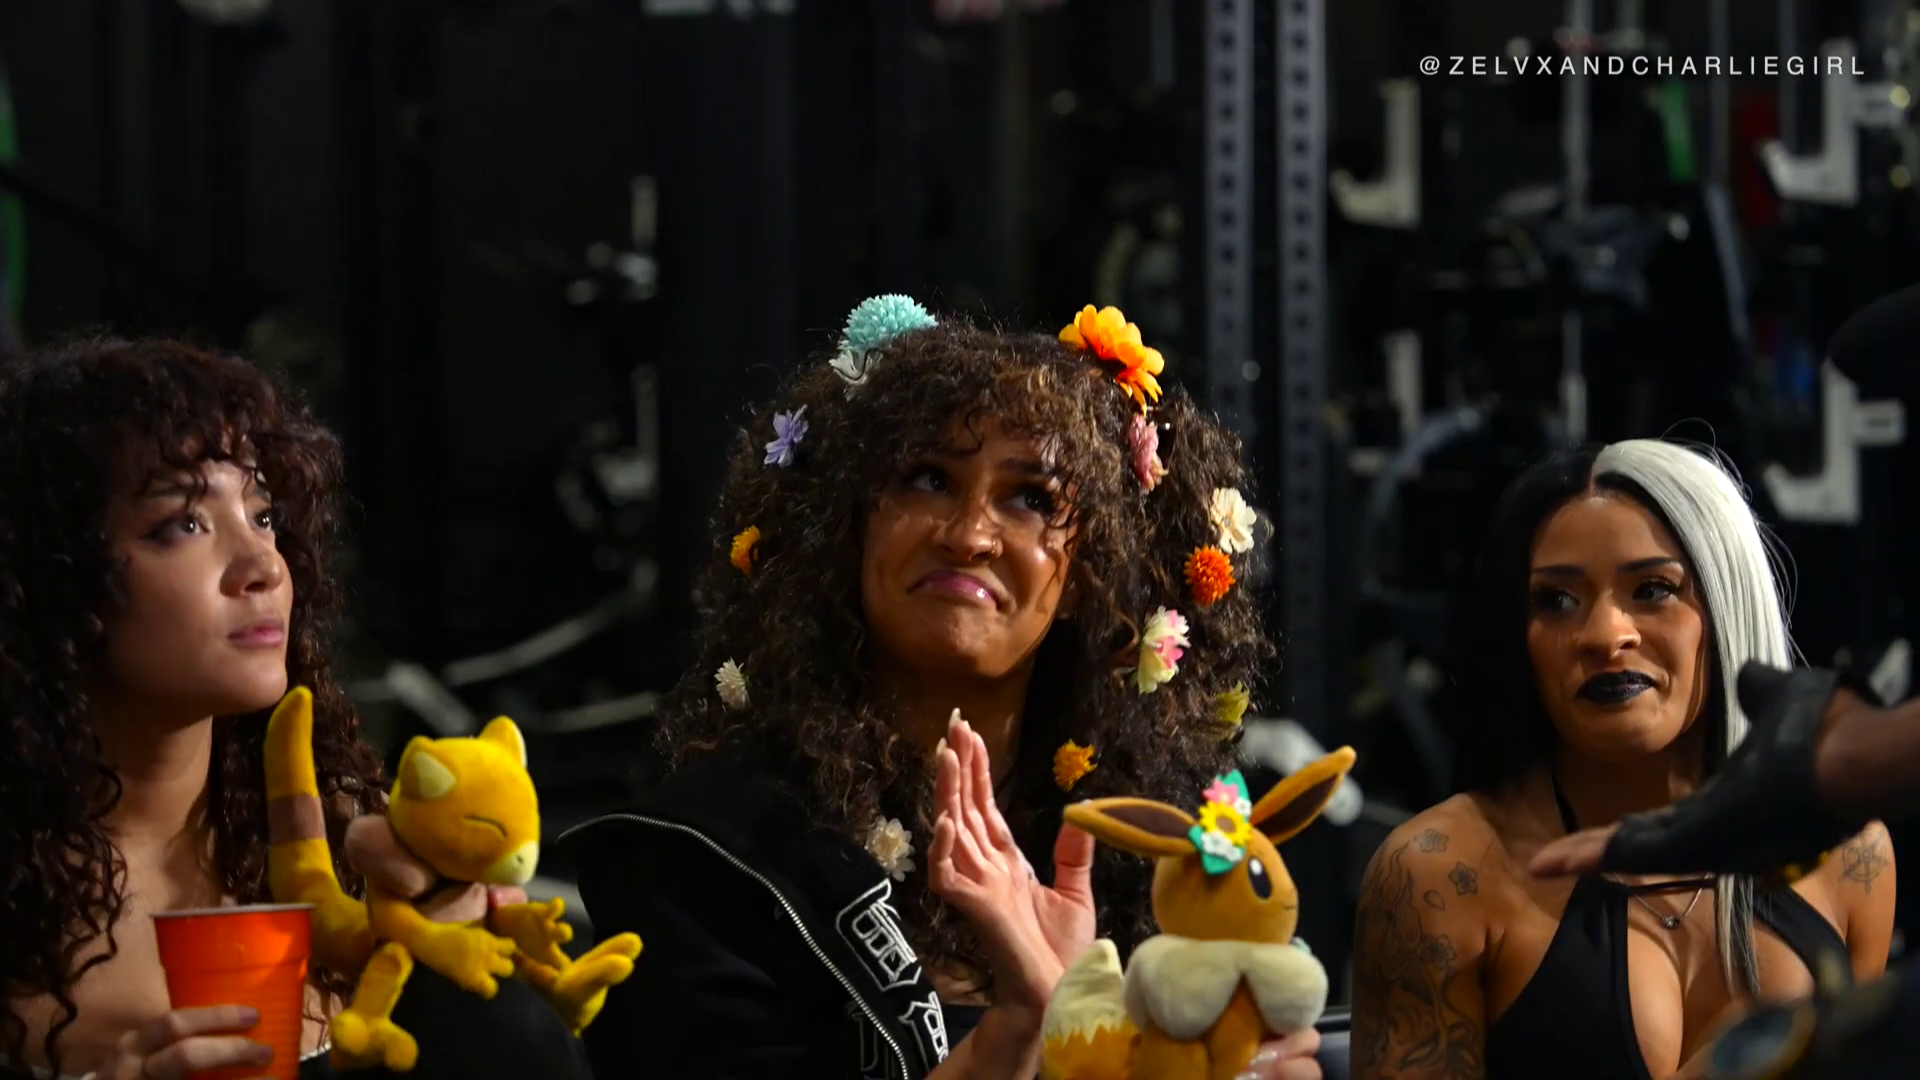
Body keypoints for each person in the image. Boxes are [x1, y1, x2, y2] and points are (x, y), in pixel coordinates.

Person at [561, 297, 1327, 1079]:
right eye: (928, 479)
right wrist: (1019, 1030)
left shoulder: (1159, 860)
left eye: (1031, 498)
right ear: (850, 529)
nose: (969, 535)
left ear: (1087, 576)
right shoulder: (702, 860)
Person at [0, 337, 584, 1080]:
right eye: (182, 524)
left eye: (263, 514)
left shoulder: (361, 852)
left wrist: (477, 1005)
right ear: (52, 577)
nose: (262, 567)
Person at [1348, 440, 1897, 1080]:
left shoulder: (1852, 854)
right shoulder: (1439, 874)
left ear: (1727, 602)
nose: (1606, 636)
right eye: (1556, 600)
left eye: (1653, 589)